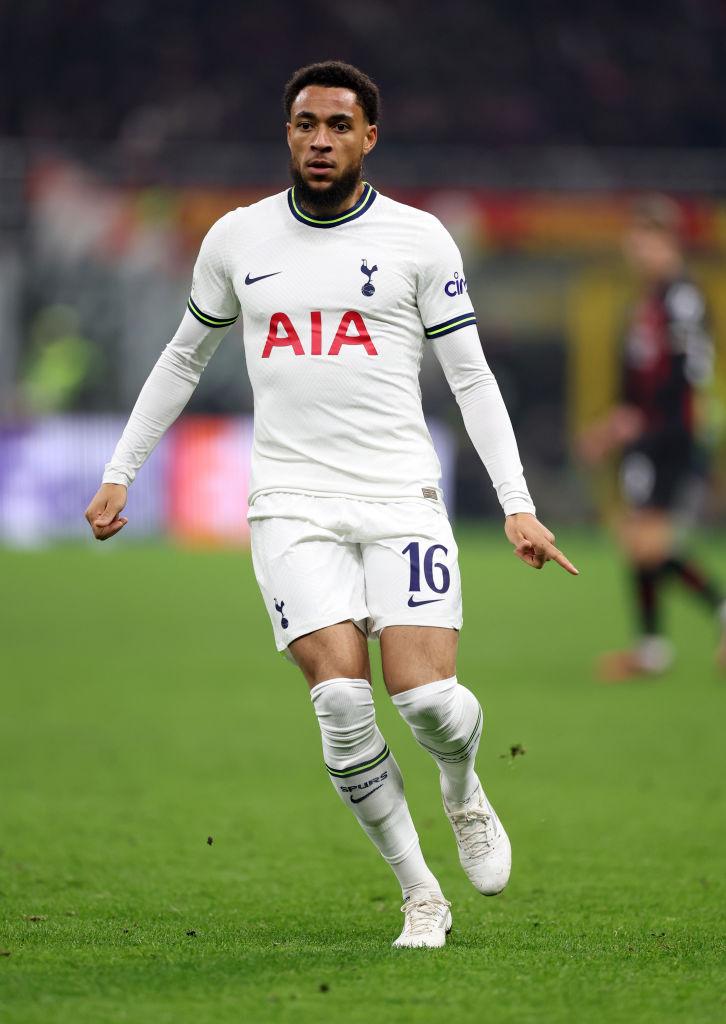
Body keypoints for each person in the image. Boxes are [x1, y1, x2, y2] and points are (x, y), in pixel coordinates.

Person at [85, 61, 577, 948]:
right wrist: (124, 468)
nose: (321, 140)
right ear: (288, 134)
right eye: (306, 124)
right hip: (290, 501)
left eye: (339, 126)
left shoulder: (419, 239)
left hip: (401, 493)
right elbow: (184, 357)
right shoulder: (238, 238)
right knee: (343, 706)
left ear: (369, 138)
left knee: (428, 703)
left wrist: (517, 502)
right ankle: (420, 892)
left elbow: (471, 377)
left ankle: (463, 789)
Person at [579, 195, 724, 681]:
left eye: (647, 241)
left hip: (671, 433)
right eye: (634, 241)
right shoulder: (645, 302)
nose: (637, 251)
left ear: (669, 241)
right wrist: (615, 423)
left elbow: (685, 375)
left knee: (649, 541)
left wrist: (637, 422)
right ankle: (651, 649)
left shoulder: (682, 298)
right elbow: (634, 378)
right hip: (648, 432)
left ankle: (690, 625)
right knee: (638, 539)